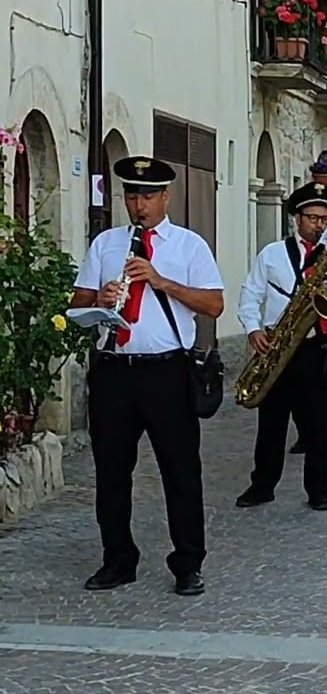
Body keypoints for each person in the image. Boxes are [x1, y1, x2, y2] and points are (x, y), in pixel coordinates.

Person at [70, 155, 225, 596]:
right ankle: (118, 559)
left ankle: (188, 563)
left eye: (148, 196)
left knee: (180, 470)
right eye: (132, 195)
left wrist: (162, 282)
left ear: (165, 197)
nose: (139, 205)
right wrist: (100, 296)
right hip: (114, 370)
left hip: (167, 371)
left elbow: (213, 305)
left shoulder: (188, 245)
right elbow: (78, 304)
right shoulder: (105, 244)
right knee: (112, 472)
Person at [235, 182, 327, 512]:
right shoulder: (272, 254)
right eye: (312, 217)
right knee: (272, 425)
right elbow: (250, 294)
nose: (319, 224)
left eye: (324, 218)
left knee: (322, 426)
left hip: (317, 348)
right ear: (296, 218)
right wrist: (253, 330)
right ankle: (262, 485)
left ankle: (319, 490)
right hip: (277, 347)